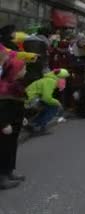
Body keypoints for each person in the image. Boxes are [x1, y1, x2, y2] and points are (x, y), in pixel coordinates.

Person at [0, 58, 27, 189]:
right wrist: (4, 124)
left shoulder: (16, 84)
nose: (25, 71)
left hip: (15, 123)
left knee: (11, 148)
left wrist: (23, 118)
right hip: (6, 126)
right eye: (23, 69)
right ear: (15, 71)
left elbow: (18, 104)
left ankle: (9, 171)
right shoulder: (5, 87)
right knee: (3, 150)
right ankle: (2, 177)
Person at [24, 69, 69, 134]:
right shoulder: (50, 81)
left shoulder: (49, 80)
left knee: (49, 106)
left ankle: (35, 123)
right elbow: (47, 98)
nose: (64, 80)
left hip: (30, 99)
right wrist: (58, 103)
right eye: (63, 78)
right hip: (29, 101)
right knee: (53, 107)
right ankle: (38, 126)